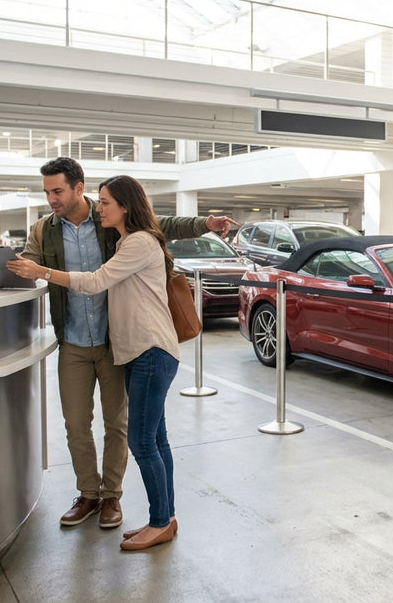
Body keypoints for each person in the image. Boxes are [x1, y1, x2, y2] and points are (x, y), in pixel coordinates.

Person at [20, 157, 237, 530]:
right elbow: (26, 263)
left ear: (78, 187)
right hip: (74, 338)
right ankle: (90, 494)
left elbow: (158, 224)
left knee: (121, 426)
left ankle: (115, 498)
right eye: (47, 192)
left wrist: (204, 224)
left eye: (57, 191)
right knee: (77, 425)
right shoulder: (45, 230)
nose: (52, 199)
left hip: (117, 342)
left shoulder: (114, 224)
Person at [9, 175, 183, 551]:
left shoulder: (138, 242)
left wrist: (43, 273)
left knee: (142, 442)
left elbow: (94, 282)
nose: (98, 207)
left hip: (150, 350)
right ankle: (165, 517)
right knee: (156, 439)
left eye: (105, 202)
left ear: (125, 206)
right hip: (142, 351)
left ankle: (159, 522)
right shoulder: (126, 241)